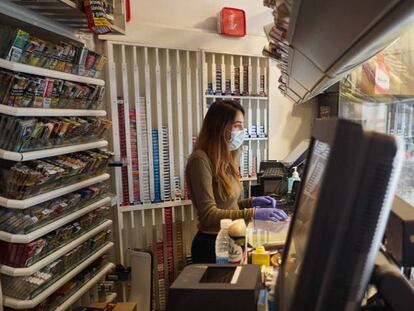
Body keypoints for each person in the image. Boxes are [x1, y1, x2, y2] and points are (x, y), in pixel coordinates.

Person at [185, 100, 288, 263]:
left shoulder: (224, 159)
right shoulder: (200, 160)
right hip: (213, 246)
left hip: (233, 239)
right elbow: (209, 214)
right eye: (238, 126)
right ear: (221, 127)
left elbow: (227, 206)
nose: (242, 131)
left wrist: (251, 202)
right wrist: (253, 213)